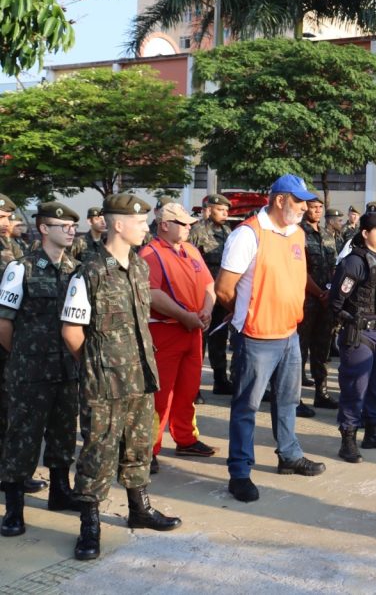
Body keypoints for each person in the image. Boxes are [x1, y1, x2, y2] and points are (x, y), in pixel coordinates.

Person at [60, 194, 182, 561]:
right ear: (118, 224)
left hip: (141, 375)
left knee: (140, 445)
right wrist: (96, 366)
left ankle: (139, 509)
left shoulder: (140, 267)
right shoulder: (89, 271)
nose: (146, 226)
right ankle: (90, 525)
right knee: (97, 453)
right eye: (140, 221)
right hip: (105, 383)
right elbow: (71, 331)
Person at [216, 175, 326, 504]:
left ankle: (289, 455)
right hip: (257, 337)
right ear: (280, 200)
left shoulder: (296, 233)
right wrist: (244, 316)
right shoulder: (247, 234)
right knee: (247, 406)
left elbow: (298, 275)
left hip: (289, 334)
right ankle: (239, 471)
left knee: (288, 401)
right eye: (299, 201)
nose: (305, 208)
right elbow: (224, 288)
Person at [0, 203, 81, 538]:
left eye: (73, 226)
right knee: (21, 438)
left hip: (65, 369)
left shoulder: (77, 269)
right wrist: (22, 355)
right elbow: (3, 324)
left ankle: (60, 492)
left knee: (63, 434)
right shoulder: (21, 268)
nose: (71, 230)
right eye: (64, 225)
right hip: (29, 372)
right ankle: (14, 509)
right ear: (45, 229)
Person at [140, 203, 218, 473]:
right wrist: (184, 316)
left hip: (193, 330)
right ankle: (148, 448)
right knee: (160, 395)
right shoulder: (151, 254)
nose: (188, 227)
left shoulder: (191, 250)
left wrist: (206, 310)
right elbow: (152, 293)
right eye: (182, 223)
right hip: (165, 330)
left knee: (188, 389)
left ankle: (186, 438)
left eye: (188, 224)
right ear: (164, 224)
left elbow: (209, 284)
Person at [329, 210, 376, 463]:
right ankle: (348, 438)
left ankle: (373, 432)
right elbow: (336, 302)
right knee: (355, 388)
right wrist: (350, 320)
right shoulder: (354, 262)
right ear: (365, 233)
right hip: (360, 333)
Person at [297, 194, 339, 412]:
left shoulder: (327, 235)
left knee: (322, 348)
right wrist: (320, 293)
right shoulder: (298, 233)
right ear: (305, 209)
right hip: (306, 300)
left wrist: (330, 291)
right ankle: (294, 398)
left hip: (325, 301)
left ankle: (321, 393)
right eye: (313, 207)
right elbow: (300, 271)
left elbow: (334, 267)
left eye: (320, 207)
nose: (317, 211)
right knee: (300, 350)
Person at [189, 193, 234, 395]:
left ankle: (220, 379)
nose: (225, 214)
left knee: (219, 337)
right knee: (201, 340)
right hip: (203, 295)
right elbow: (188, 261)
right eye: (220, 210)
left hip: (222, 293)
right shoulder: (197, 231)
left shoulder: (227, 231)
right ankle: (194, 385)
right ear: (209, 209)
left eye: (226, 211)